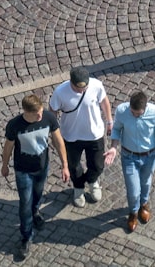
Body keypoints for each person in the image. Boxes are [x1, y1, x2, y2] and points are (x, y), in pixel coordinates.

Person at [1, 94, 70, 259]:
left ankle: (36, 212)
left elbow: (58, 140)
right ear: (26, 112)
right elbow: (8, 147)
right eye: (37, 114)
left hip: (42, 167)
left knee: (38, 194)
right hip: (23, 170)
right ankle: (26, 236)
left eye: (41, 111)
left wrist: (65, 165)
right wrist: (4, 165)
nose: (40, 116)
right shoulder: (15, 125)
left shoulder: (48, 118)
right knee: (25, 202)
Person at [103, 91, 155, 233]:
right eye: (132, 112)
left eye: (138, 114)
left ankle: (144, 204)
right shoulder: (122, 111)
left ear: (145, 108)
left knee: (146, 182)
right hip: (129, 157)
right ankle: (133, 212)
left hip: (149, 156)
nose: (135, 115)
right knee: (133, 190)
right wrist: (114, 148)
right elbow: (116, 129)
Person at [49, 66, 114, 208]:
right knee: (73, 165)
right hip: (71, 136)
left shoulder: (96, 85)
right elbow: (52, 110)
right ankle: (78, 188)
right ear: (71, 82)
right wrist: (54, 132)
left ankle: (92, 181)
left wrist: (109, 121)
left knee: (97, 165)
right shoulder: (60, 92)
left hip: (94, 134)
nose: (81, 91)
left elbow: (104, 101)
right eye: (78, 88)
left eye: (84, 88)